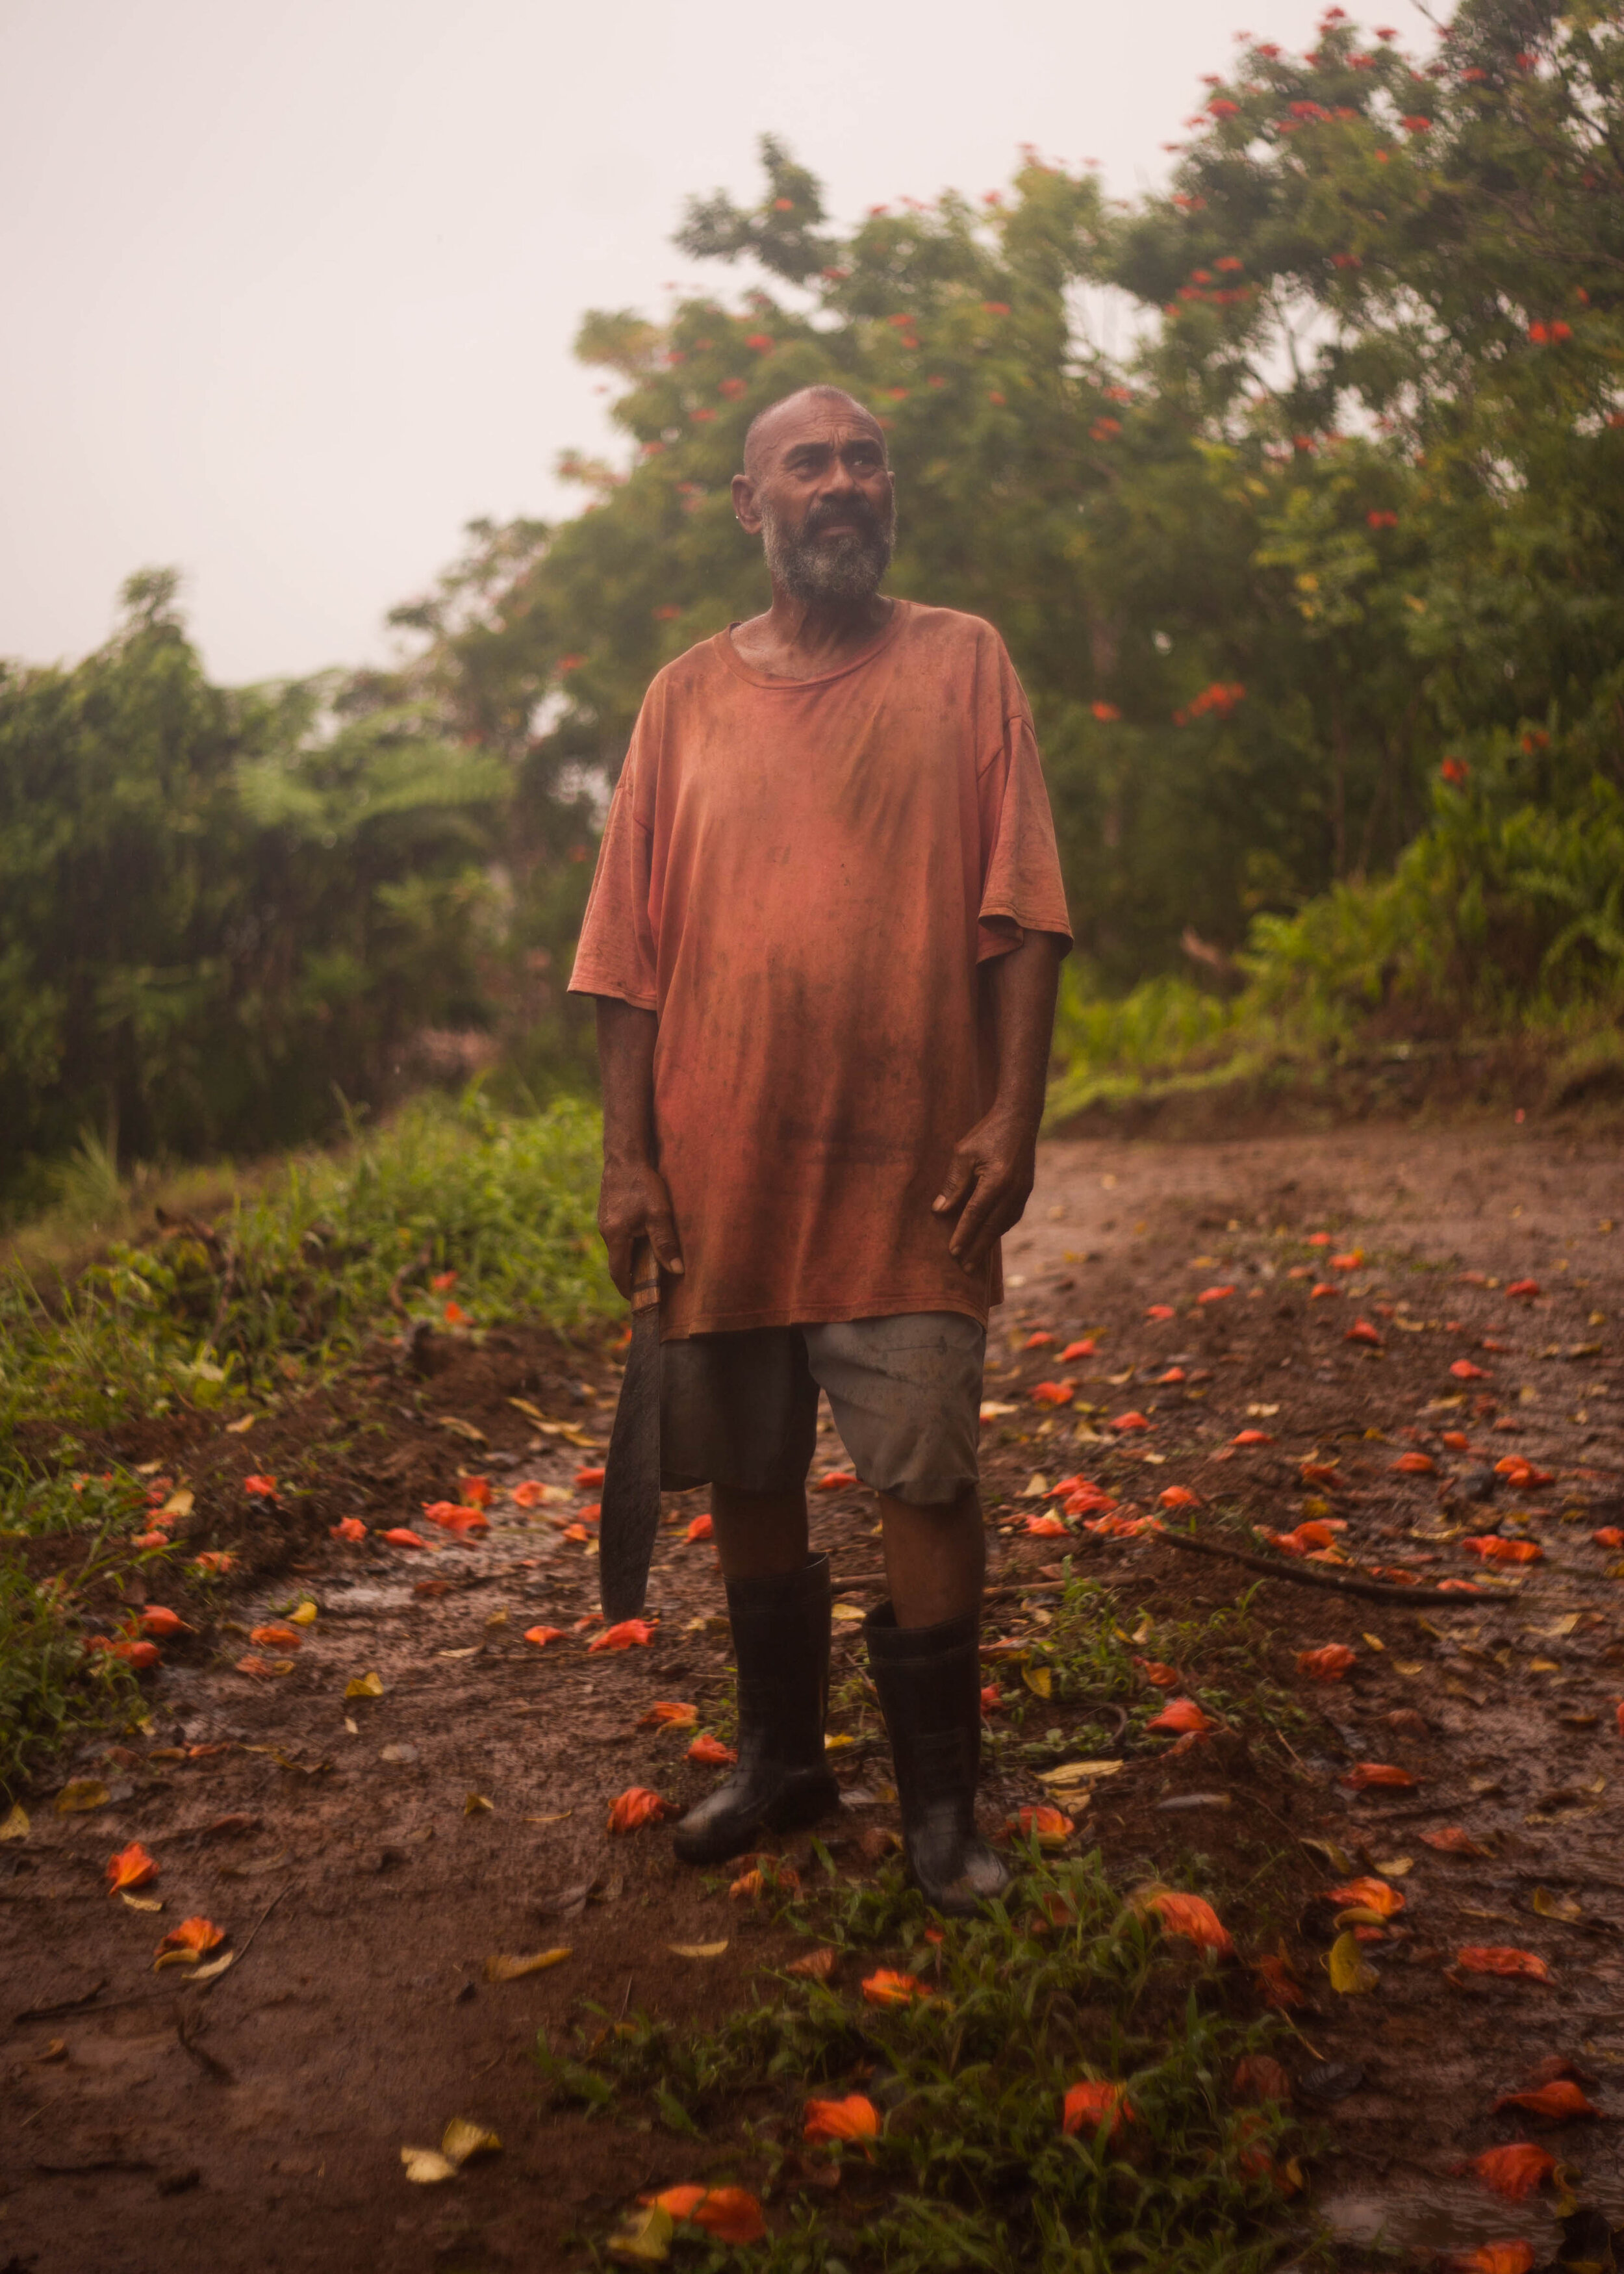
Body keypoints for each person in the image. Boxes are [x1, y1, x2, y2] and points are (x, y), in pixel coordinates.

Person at [568, 384, 1071, 1913]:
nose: (843, 483)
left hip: (909, 1166)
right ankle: (785, 1760)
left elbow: (1024, 909)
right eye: (809, 464)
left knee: (923, 1470)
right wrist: (627, 1158)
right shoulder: (680, 701)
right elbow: (624, 954)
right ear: (751, 505)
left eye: (863, 461)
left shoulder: (961, 661)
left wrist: (1010, 1112)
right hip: (719, 1177)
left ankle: (941, 1815)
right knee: (746, 1469)